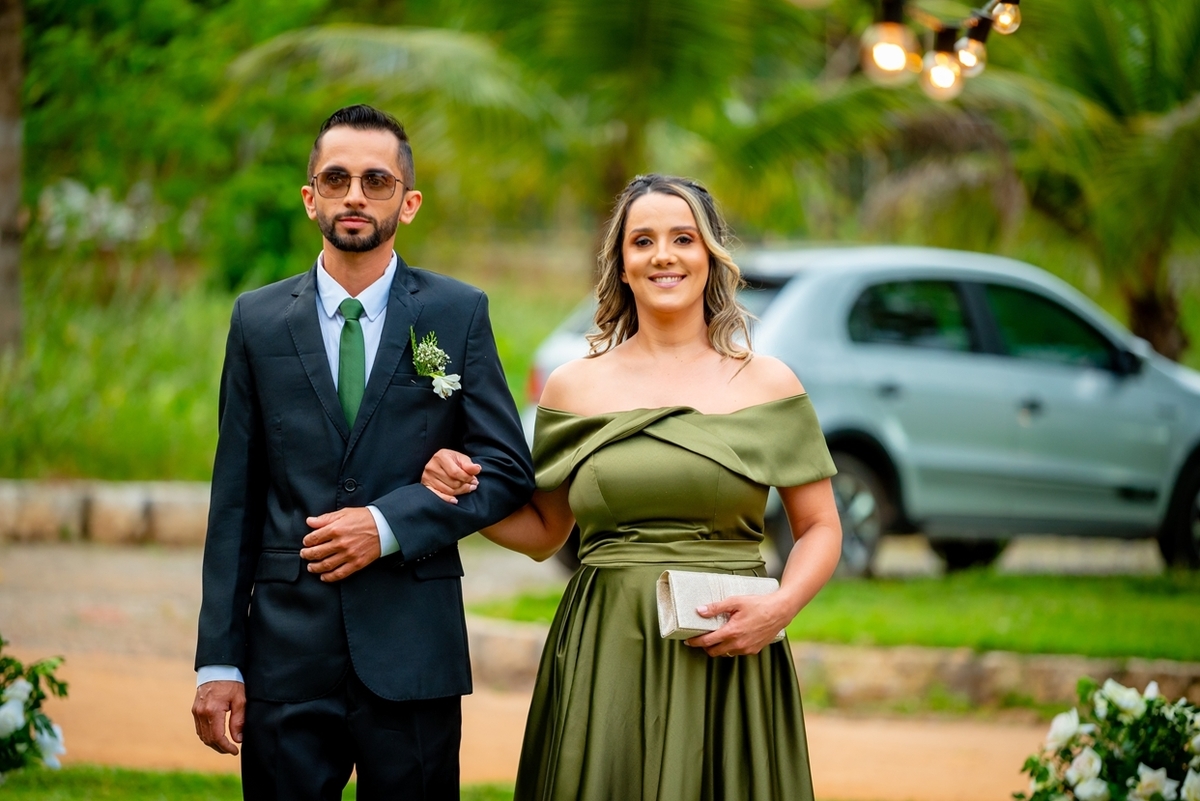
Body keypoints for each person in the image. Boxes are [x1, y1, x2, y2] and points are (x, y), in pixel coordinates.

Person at [422, 173, 843, 800]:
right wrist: (454, 494)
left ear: (711, 256)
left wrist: (777, 608)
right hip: (606, 649)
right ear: (621, 264)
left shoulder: (769, 383)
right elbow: (543, 532)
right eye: (642, 241)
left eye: (683, 238)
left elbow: (820, 528)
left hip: (730, 651)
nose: (663, 255)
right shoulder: (574, 388)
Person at [190, 104, 534, 801]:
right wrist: (217, 661)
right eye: (337, 178)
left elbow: (505, 469)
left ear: (407, 203)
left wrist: (387, 525)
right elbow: (235, 499)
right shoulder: (256, 321)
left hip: (414, 648)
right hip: (286, 653)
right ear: (309, 196)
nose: (355, 195)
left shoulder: (456, 312)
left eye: (376, 180)